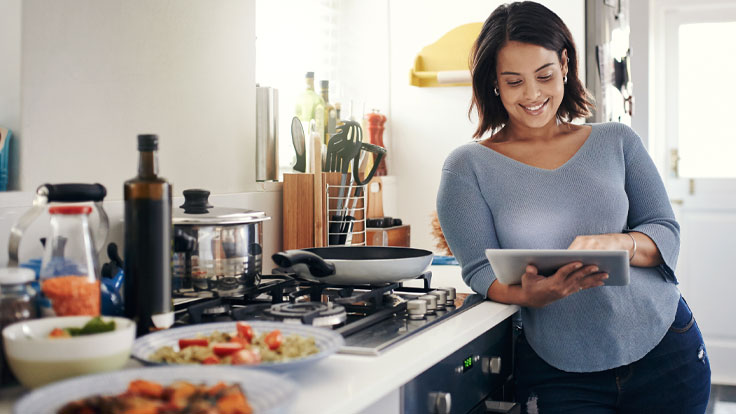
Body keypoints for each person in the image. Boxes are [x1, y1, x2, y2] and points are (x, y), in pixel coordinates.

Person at [435, 2, 711, 413]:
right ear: (494, 82)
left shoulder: (617, 141)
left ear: (565, 64)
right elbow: (479, 270)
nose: (532, 94)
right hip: (558, 367)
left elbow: (664, 230)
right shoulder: (466, 167)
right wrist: (527, 295)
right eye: (514, 81)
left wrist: (623, 243)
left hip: (664, 346)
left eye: (544, 75)